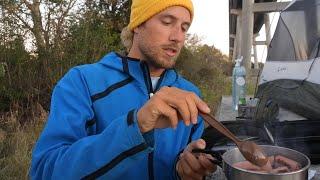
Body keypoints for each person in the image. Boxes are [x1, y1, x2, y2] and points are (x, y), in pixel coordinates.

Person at [30, 0, 217, 179]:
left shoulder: (190, 94)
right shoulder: (83, 82)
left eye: (184, 28)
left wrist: (184, 169)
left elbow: (186, 163)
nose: (178, 37)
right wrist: (136, 126)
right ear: (137, 24)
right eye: (167, 22)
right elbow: (44, 171)